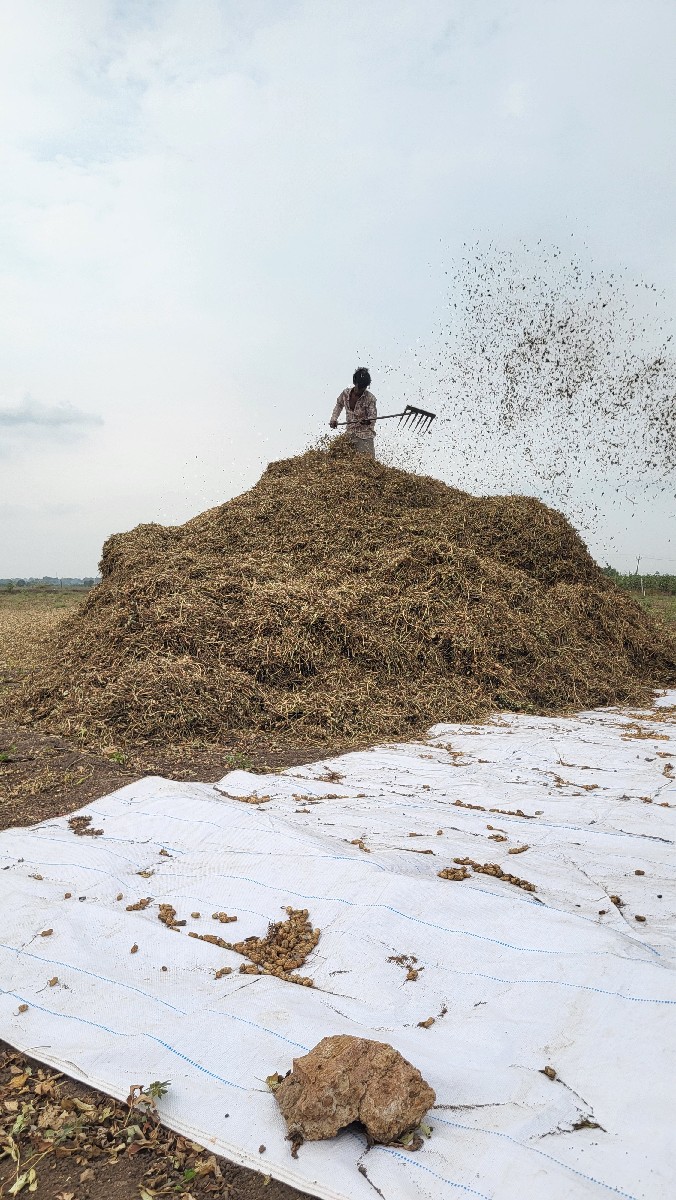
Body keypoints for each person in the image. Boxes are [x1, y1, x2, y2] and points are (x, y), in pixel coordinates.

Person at [329, 368, 377, 458]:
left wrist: (367, 421)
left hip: (364, 437)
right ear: (355, 383)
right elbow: (339, 405)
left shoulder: (370, 398)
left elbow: (373, 417)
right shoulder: (345, 393)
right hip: (349, 434)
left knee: (366, 463)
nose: (361, 390)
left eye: (364, 388)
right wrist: (334, 419)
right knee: (339, 459)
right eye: (360, 387)